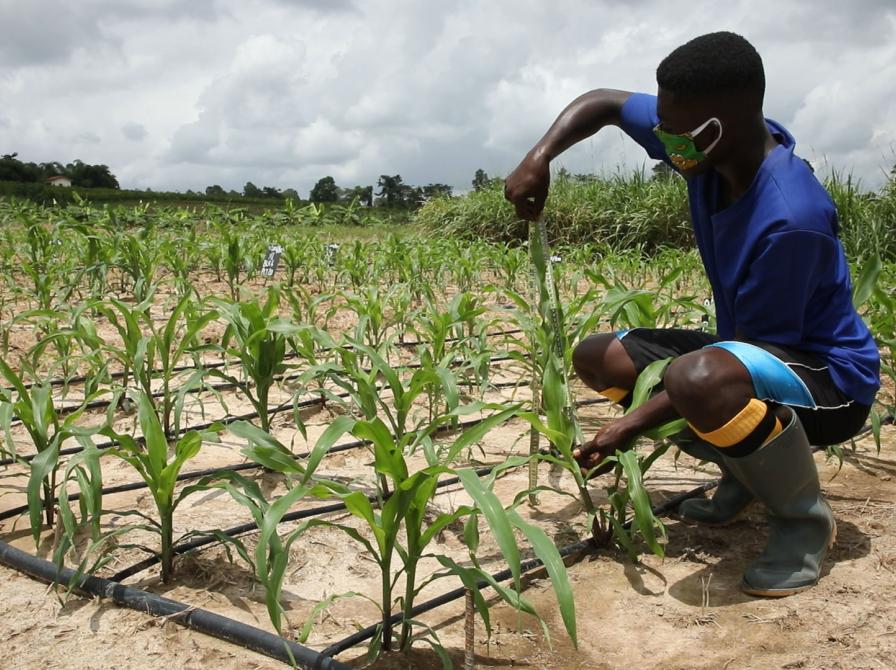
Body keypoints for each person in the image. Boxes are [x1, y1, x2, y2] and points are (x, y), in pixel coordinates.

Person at [503, 31, 880, 597]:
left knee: (699, 380)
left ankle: (803, 524)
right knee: (601, 359)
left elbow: (747, 357)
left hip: (832, 383)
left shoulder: (788, 218)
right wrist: (539, 157)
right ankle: (744, 476)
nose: (662, 140)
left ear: (718, 127)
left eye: (673, 132)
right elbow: (603, 102)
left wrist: (628, 426)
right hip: (751, 358)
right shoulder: (707, 153)